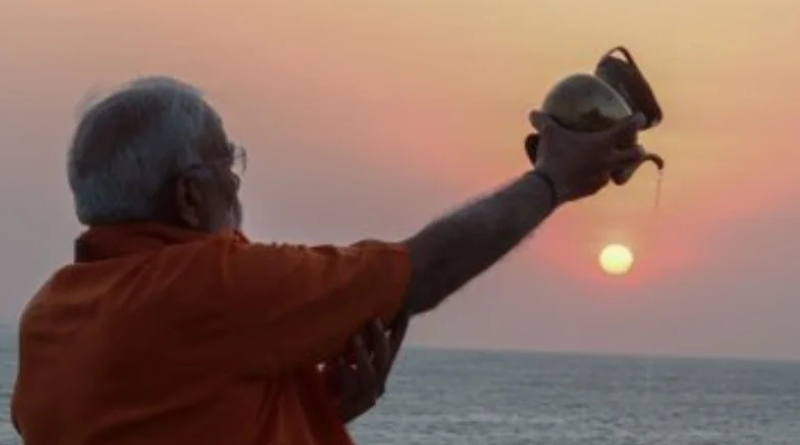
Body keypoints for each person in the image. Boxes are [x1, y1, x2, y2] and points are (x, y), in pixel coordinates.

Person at [11, 76, 647, 445]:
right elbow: (418, 272)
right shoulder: (212, 283)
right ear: (188, 194)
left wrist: (312, 407)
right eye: (227, 164)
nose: (237, 185)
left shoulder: (51, 317)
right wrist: (553, 181)